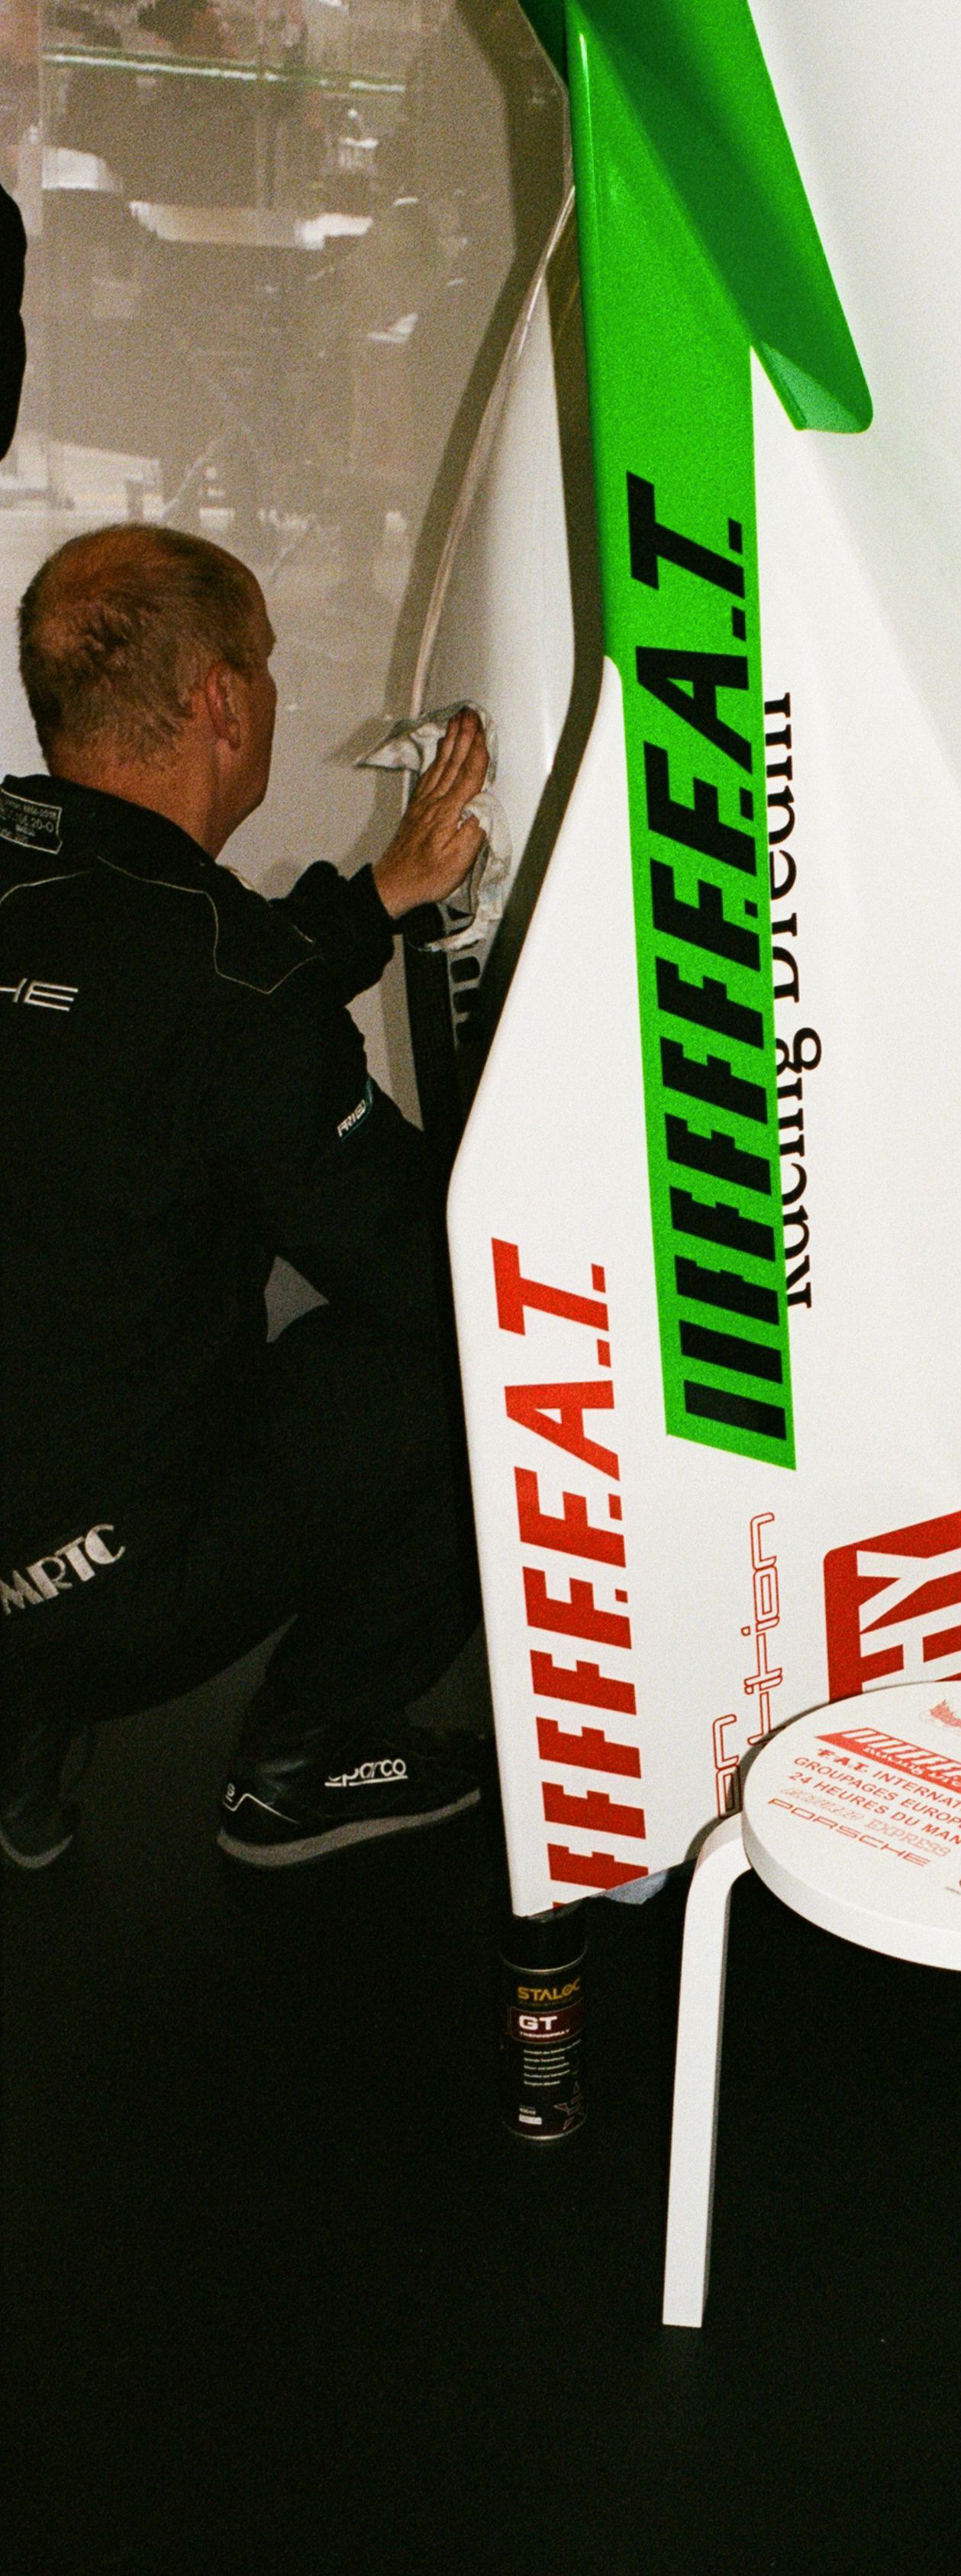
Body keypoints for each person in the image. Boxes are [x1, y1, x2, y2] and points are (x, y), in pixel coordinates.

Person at [0, 524, 492, 1869]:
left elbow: (142, 997)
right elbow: (433, 1275)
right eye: (266, 669)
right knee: (486, 1364)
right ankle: (307, 1755)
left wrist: (376, 897)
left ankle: (20, 1736)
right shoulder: (225, 991)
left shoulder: (49, 873)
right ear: (222, 701)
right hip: (92, 1595)